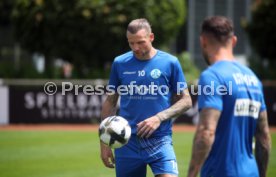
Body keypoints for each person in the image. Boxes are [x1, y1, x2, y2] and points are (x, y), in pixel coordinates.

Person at [100, 18, 192, 177]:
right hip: (127, 142)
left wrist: (158, 118)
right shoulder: (120, 63)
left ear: (151, 37)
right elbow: (110, 102)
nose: (135, 47)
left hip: (160, 139)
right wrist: (104, 143)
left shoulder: (170, 62)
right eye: (131, 43)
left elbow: (186, 100)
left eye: (140, 42)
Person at [187, 16, 271, 177]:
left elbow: (206, 131)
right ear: (233, 41)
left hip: (221, 172)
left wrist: (191, 174)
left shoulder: (212, 76)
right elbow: (264, 137)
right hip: (251, 172)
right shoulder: (253, 78)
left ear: (203, 41)